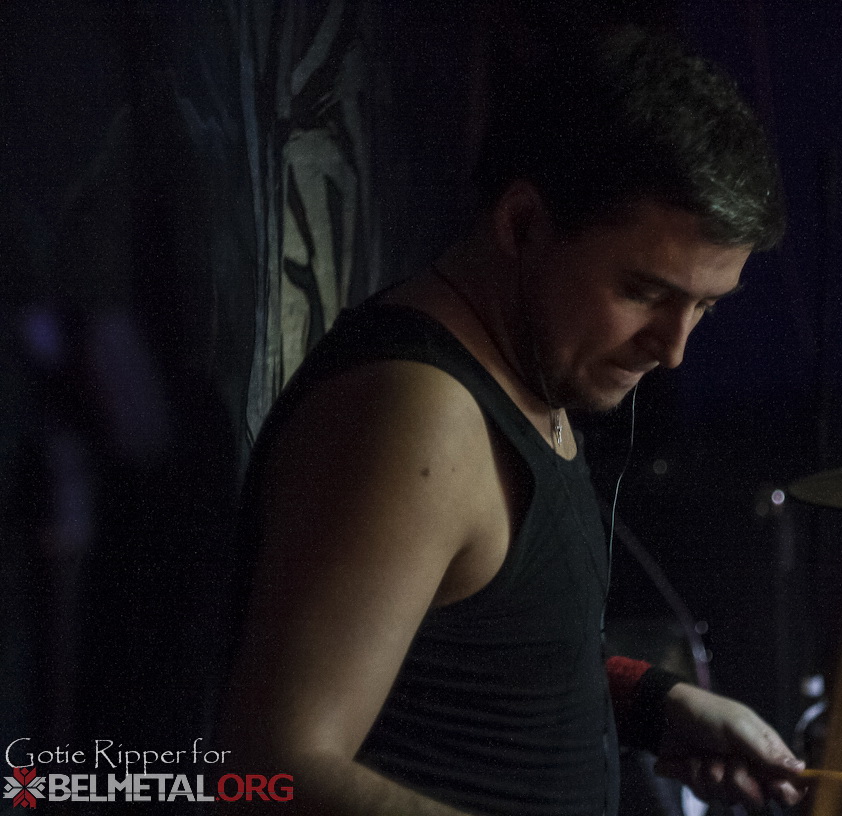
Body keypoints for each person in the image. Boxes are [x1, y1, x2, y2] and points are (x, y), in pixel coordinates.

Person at [220, 26, 803, 815]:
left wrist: (658, 706)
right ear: (524, 224)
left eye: (704, 307)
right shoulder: (420, 418)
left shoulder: (528, 377)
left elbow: (483, 663)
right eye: (644, 292)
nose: (673, 350)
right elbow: (270, 770)